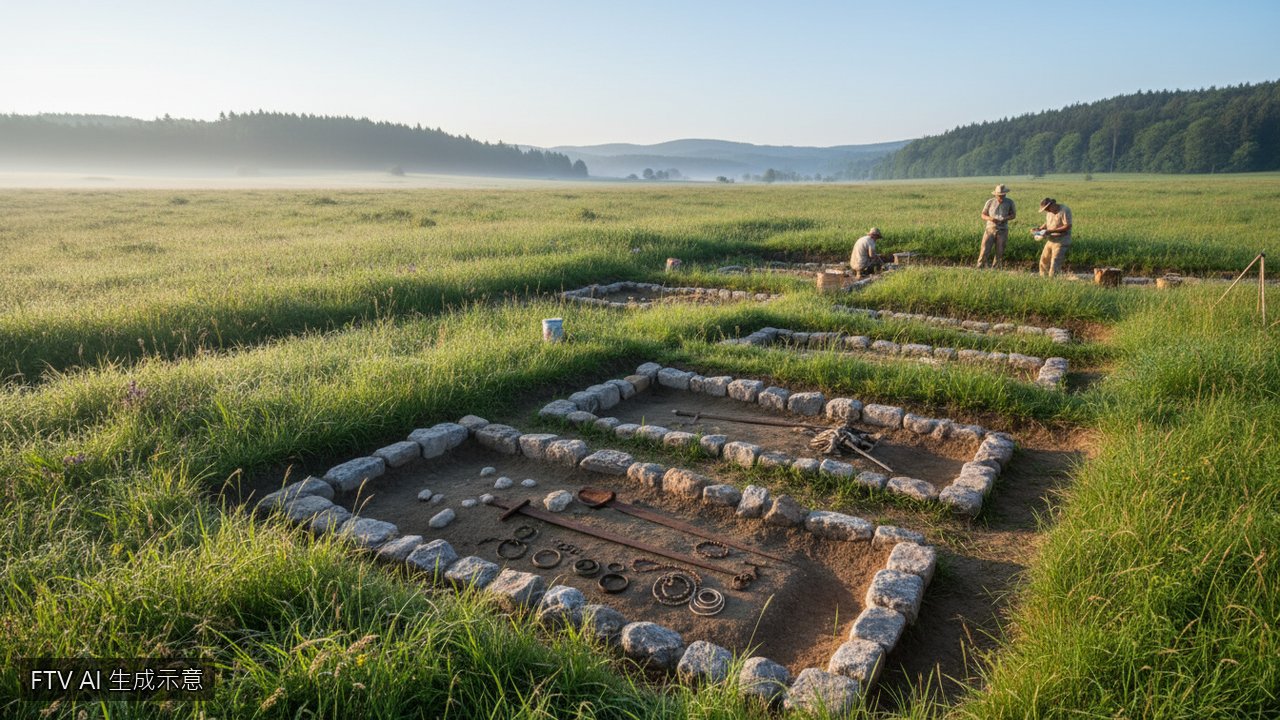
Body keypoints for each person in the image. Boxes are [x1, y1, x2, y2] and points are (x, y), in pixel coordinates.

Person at [976, 184, 1016, 268]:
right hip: (990, 229)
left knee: (1000, 250)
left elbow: (1013, 215)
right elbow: (983, 215)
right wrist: (991, 218)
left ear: (1005, 194)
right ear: (995, 194)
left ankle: (996, 268)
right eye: (999, 195)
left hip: (1003, 229)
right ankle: (980, 266)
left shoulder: (1010, 202)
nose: (1001, 197)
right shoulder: (990, 202)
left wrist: (1005, 218)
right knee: (985, 248)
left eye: (1003, 195)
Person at [1032, 197, 1073, 277]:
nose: (1047, 211)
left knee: (1055, 262)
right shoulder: (1049, 212)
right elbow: (1047, 223)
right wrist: (1039, 229)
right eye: (1045, 209)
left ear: (1053, 204)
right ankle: (1043, 278)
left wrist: (1050, 231)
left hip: (1062, 240)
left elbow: (1068, 226)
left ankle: (1053, 279)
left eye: (1047, 208)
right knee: (1044, 260)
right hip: (1051, 239)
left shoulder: (1064, 210)